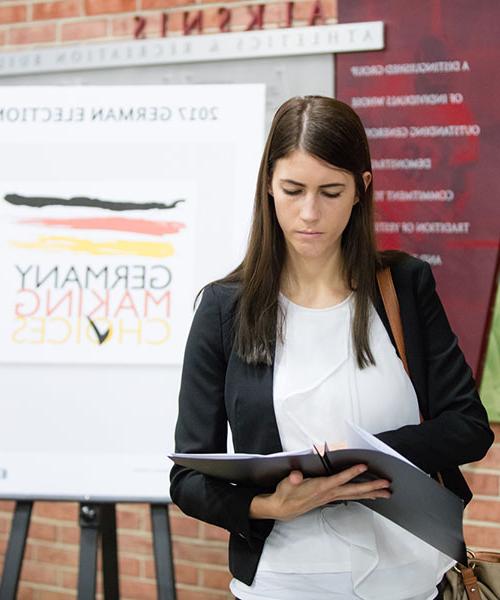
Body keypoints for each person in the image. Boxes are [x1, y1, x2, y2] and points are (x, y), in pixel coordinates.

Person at [169, 96, 494, 600]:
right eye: (292, 190)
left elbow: (469, 428)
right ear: (268, 188)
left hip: (408, 579)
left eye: (331, 191)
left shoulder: (405, 286)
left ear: (361, 189)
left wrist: (362, 459)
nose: (310, 213)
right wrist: (270, 506)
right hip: (283, 581)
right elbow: (188, 476)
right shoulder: (222, 309)